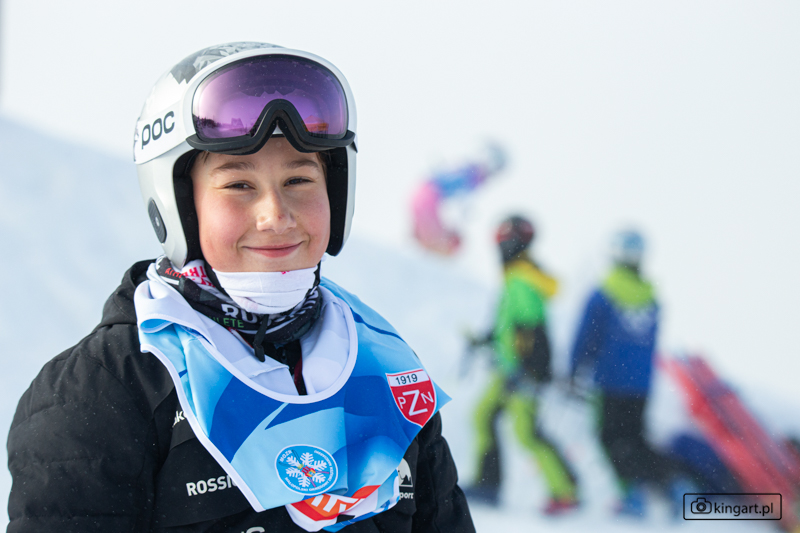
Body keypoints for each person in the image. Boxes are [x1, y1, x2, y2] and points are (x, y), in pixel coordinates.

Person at [6, 42, 474, 533]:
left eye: (298, 180)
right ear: (179, 204)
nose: (276, 216)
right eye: (239, 186)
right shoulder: (103, 389)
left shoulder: (384, 366)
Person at [465, 215, 579, 514]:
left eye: (502, 244)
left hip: (520, 371)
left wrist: (529, 369)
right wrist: (489, 339)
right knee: (484, 416)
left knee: (526, 432)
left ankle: (565, 491)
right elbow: (511, 324)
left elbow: (531, 329)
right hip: (510, 368)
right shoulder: (517, 276)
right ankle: (488, 483)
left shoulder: (522, 280)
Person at [569, 229, 687, 516]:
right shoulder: (651, 297)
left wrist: (575, 370)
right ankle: (670, 484)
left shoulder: (603, 293)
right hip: (641, 383)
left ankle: (634, 495)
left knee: (609, 438)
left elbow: (587, 336)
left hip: (610, 380)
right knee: (636, 438)